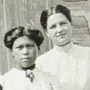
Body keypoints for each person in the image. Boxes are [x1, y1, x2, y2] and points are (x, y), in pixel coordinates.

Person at [36, 4, 90, 90]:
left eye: (63, 23)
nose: (60, 30)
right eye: (53, 27)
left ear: (71, 24)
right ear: (47, 32)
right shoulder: (41, 63)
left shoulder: (87, 54)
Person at [0, 26, 61, 90]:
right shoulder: (4, 82)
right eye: (19, 47)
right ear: (11, 51)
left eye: (30, 46)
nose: (25, 52)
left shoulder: (51, 81)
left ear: (38, 48)